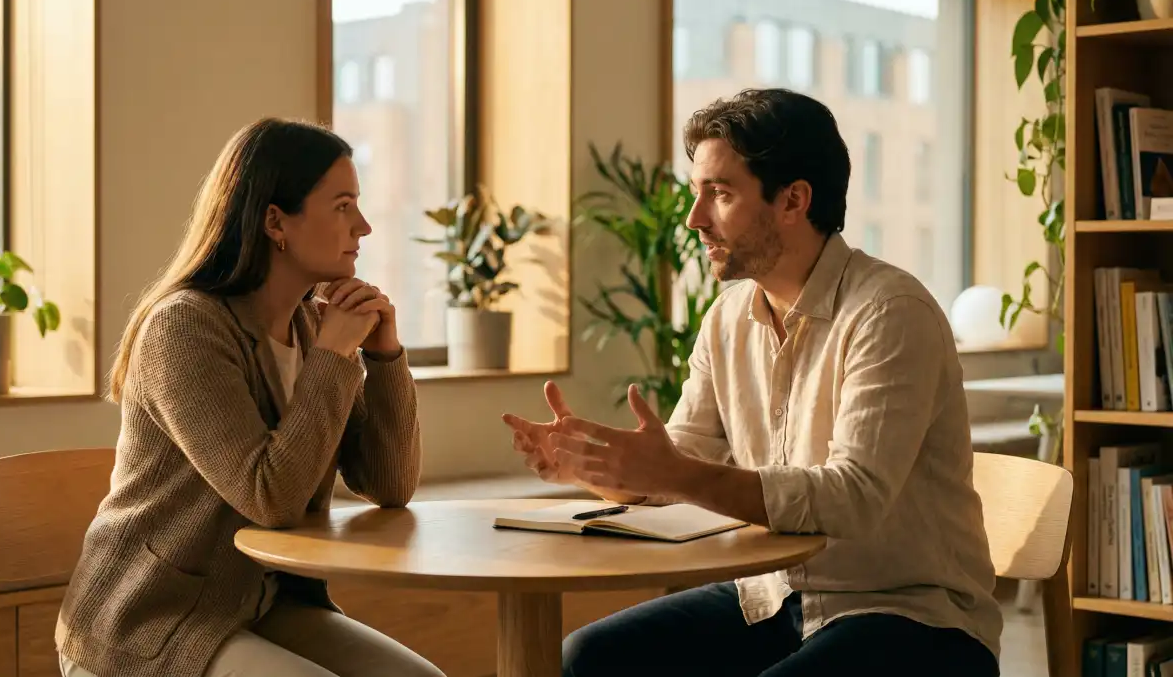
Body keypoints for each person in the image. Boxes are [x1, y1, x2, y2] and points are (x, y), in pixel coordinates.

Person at [503, 88, 1002, 677]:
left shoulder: (889, 311)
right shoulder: (727, 317)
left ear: (793, 200)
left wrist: (674, 472)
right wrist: (598, 466)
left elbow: (854, 498)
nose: (694, 220)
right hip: (773, 600)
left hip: (910, 613)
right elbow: (683, 460)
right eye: (697, 194)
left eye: (719, 194)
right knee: (591, 659)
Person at [55, 118, 444, 677]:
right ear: (274, 221)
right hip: (152, 622)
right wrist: (334, 359)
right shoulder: (184, 328)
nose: (363, 227)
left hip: (257, 606)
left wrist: (384, 357)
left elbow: (388, 484)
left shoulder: (312, 328)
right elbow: (270, 497)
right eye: (342, 206)